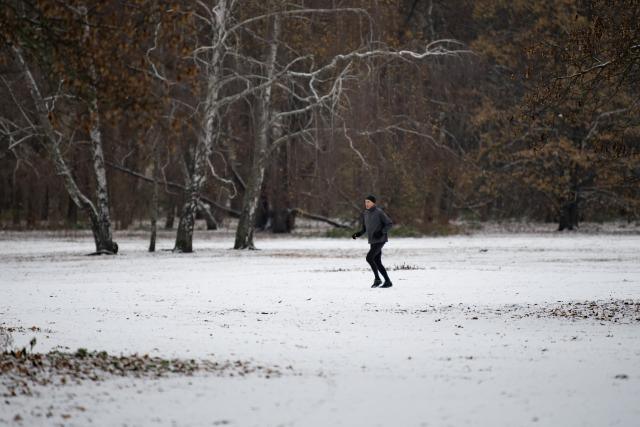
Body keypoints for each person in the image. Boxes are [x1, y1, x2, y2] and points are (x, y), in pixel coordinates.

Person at [352, 195, 393, 288]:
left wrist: (381, 232)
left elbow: (389, 223)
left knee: (369, 258)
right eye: (365, 202)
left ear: (373, 203)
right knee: (377, 261)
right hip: (372, 240)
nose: (366, 204)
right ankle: (388, 281)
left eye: (368, 202)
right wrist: (357, 234)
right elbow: (364, 229)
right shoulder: (365, 213)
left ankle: (377, 279)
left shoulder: (379, 212)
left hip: (380, 239)